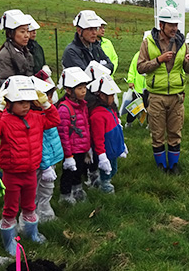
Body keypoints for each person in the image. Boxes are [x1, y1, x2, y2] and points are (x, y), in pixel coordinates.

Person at [0, 75, 60, 256]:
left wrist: (46, 104)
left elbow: (55, 121)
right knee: (10, 208)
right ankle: (10, 240)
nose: (25, 105)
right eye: (20, 102)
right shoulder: (4, 120)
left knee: (29, 205)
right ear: (9, 103)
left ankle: (31, 234)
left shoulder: (36, 117)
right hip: (12, 173)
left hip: (31, 171)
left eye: (28, 101)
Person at [137, 6, 189, 174]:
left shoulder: (182, 42)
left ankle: (174, 166)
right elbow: (140, 67)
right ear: (161, 24)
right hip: (156, 96)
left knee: (175, 133)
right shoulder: (148, 42)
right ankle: (161, 167)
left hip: (177, 96)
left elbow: (187, 69)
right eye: (171, 25)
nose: (174, 28)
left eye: (176, 24)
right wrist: (159, 60)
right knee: (157, 134)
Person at [56, 67, 92, 204]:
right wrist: (68, 155)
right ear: (69, 90)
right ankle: (65, 195)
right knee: (68, 173)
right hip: (71, 149)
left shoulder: (82, 105)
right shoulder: (65, 109)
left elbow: (86, 126)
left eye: (84, 87)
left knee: (79, 171)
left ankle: (77, 189)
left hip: (81, 147)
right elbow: (63, 134)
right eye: (79, 88)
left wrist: (87, 146)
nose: (83, 91)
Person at [30, 73, 64, 222]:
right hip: (42, 163)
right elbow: (40, 143)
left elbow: (56, 120)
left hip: (51, 159)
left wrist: (47, 106)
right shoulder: (35, 118)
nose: (50, 101)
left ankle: (45, 210)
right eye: (46, 97)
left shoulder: (46, 113)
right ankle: (36, 214)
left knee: (47, 188)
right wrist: (45, 166)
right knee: (37, 189)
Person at [87, 74, 128, 194]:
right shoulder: (97, 115)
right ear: (101, 96)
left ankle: (100, 182)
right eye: (111, 95)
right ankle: (105, 186)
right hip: (106, 151)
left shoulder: (110, 109)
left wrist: (122, 145)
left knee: (113, 169)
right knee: (107, 171)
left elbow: (117, 128)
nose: (113, 98)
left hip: (114, 148)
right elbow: (98, 138)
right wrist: (102, 156)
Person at [0, 9, 34, 93]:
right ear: (10, 34)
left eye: (28, 31)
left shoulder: (25, 52)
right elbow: (4, 86)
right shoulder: (4, 56)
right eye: (22, 31)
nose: (27, 35)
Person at [124, 31, 149, 127]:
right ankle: (129, 122)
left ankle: (149, 124)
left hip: (149, 88)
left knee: (149, 107)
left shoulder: (155, 56)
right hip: (137, 88)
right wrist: (130, 81)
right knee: (136, 106)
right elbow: (132, 69)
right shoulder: (138, 55)